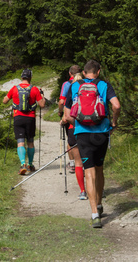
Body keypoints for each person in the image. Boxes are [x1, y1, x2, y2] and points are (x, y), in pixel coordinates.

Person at [62, 59, 121, 228]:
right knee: (99, 168)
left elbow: (67, 116)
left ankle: (95, 213)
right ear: (98, 71)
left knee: (89, 171)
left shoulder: (74, 85)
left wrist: (80, 122)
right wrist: (114, 122)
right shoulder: (104, 85)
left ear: (84, 72)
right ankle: (100, 203)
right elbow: (116, 105)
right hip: (101, 133)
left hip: (82, 135)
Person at [2, 68, 46, 175]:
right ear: (30, 78)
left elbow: (4, 101)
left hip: (18, 117)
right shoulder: (34, 89)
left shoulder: (14, 89)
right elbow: (42, 105)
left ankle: (23, 164)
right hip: (30, 118)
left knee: (20, 142)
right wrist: (42, 95)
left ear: (22, 77)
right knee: (30, 142)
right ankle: (30, 164)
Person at [58, 65, 86, 199]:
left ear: (70, 73)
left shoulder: (68, 85)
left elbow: (62, 102)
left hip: (74, 126)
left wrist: (62, 117)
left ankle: (82, 191)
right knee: (92, 163)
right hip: (92, 127)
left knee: (79, 161)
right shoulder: (91, 84)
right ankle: (97, 190)